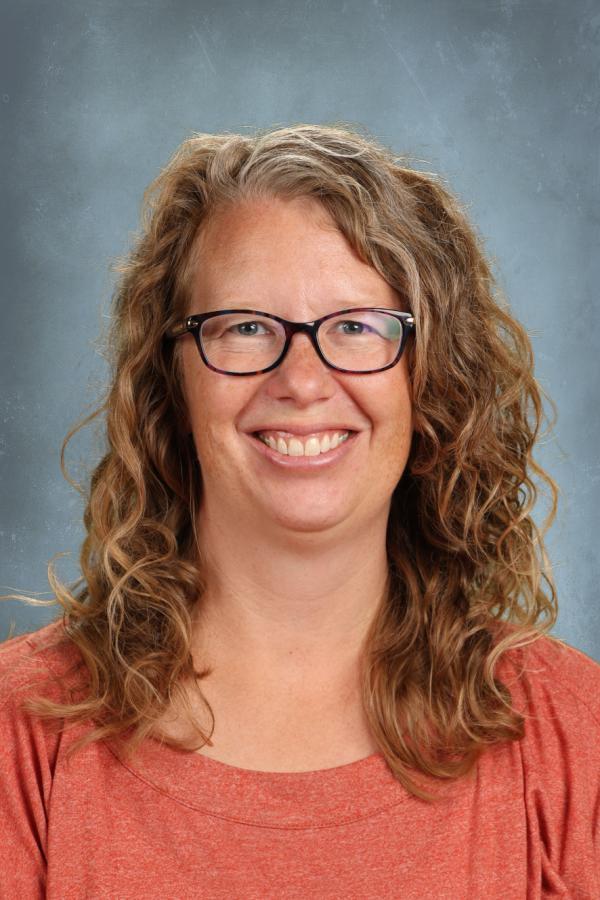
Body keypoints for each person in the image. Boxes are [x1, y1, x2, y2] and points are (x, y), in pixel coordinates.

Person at [1, 122, 598, 898]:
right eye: (246, 327)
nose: (303, 380)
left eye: (356, 326)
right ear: (170, 382)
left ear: (432, 378)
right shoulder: (23, 736)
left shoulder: (573, 737)